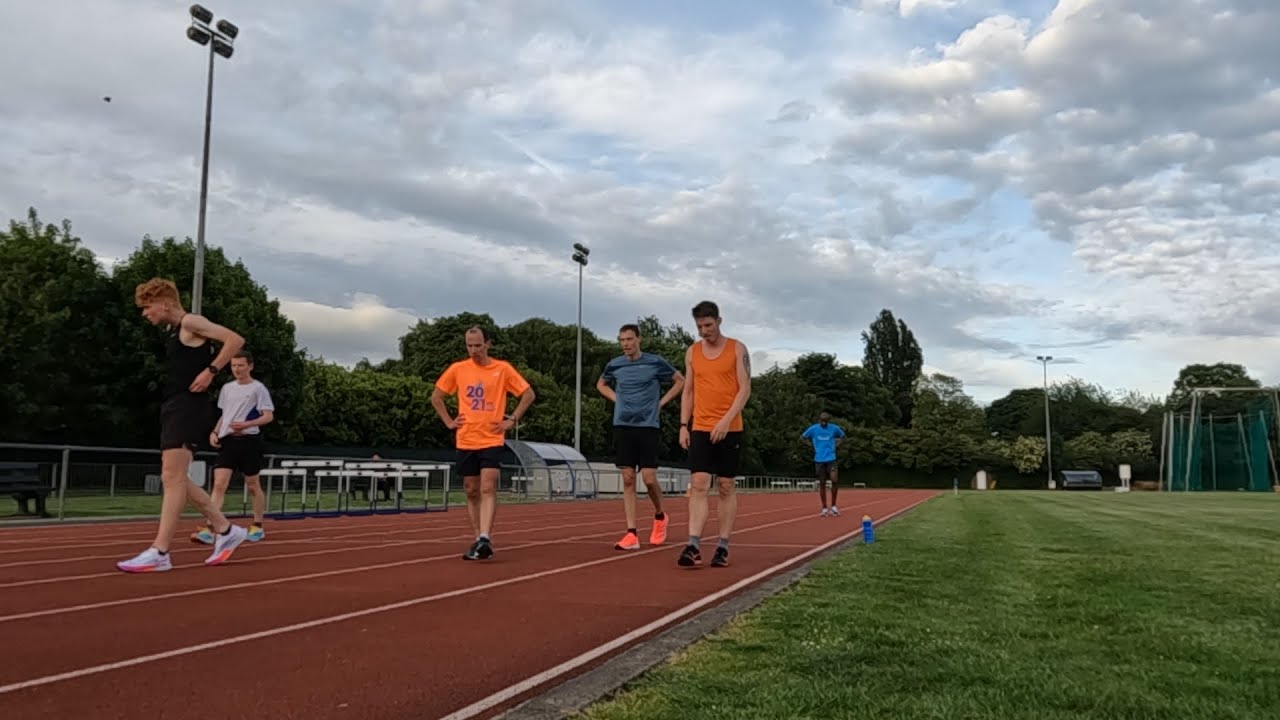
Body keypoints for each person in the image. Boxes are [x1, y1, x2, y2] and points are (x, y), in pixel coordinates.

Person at [117, 278, 249, 573]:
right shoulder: (177, 330)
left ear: (164, 302)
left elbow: (235, 339)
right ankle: (226, 531)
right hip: (175, 405)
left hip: (188, 406)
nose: (144, 313)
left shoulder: (191, 321)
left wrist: (211, 371)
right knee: (174, 477)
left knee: (172, 476)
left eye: (147, 306)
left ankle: (160, 551)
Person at [431, 326, 536, 561]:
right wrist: (449, 421)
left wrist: (512, 419)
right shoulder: (458, 369)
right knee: (471, 490)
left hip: (491, 437)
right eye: (469, 345)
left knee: (488, 487)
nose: (473, 350)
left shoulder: (502, 369)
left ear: (488, 344)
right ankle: (479, 537)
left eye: (478, 345)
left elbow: (528, 394)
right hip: (466, 438)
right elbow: (436, 397)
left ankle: (485, 537)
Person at [597, 323, 684, 551]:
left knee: (647, 478)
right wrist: (616, 399)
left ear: (638, 340)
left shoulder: (655, 362)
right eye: (622, 340)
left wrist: (661, 403)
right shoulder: (615, 365)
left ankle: (659, 515)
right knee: (627, 477)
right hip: (623, 425)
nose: (625, 344)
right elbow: (601, 384)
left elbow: (680, 381)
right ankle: (631, 533)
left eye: (629, 339)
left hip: (648, 425)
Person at [677, 301, 751, 568]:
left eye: (708, 325)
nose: (703, 331)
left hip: (729, 428)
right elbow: (689, 391)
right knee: (698, 484)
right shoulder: (692, 352)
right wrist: (684, 425)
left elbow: (745, 389)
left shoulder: (737, 349)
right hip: (700, 426)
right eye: (699, 327)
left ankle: (722, 546)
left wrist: (726, 421)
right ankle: (693, 545)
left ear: (719, 321)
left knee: (725, 486)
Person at [191, 350, 274, 545]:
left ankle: (257, 525)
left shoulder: (258, 389)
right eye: (234, 366)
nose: (237, 369)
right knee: (219, 484)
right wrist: (215, 431)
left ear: (250, 366)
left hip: (249, 441)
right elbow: (225, 414)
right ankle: (211, 528)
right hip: (228, 440)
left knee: (253, 485)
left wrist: (247, 424)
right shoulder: (227, 388)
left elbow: (268, 416)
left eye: (241, 365)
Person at [801, 412, 846, 516]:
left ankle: (834, 506)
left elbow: (843, 436)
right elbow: (803, 438)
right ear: (819, 420)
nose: (824, 423)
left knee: (834, 480)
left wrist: (836, 445)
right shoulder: (813, 429)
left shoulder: (834, 428)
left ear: (828, 421)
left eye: (825, 421)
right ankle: (824, 507)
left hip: (831, 458)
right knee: (822, 483)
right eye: (822, 421)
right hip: (819, 459)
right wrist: (812, 446)